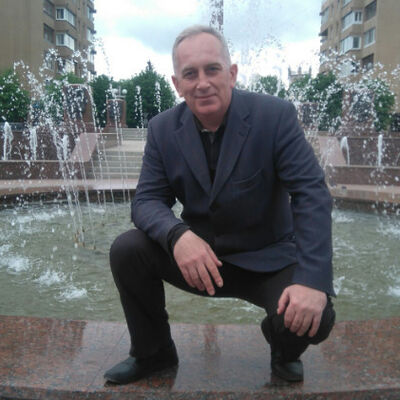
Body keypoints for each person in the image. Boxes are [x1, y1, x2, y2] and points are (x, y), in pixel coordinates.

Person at [104, 25, 335, 385]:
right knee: (127, 249)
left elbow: (311, 193)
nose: (202, 83)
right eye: (190, 74)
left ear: (232, 73)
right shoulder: (162, 129)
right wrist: (177, 235)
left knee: (316, 317)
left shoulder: (274, 116)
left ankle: (282, 344)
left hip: (269, 261)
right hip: (201, 260)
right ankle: (153, 352)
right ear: (176, 84)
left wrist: (311, 280)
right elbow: (147, 200)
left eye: (212, 69)